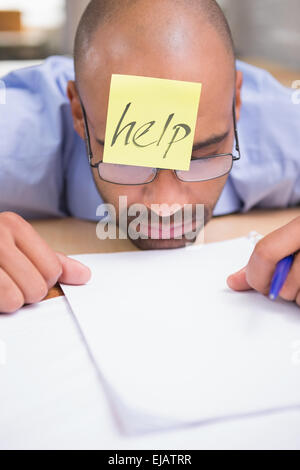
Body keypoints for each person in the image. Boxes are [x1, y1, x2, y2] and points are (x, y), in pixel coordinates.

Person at [0, 0, 299, 313]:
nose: (166, 206)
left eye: (200, 157)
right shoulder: (18, 134)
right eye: (130, 158)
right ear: (78, 113)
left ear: (236, 103)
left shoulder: (281, 130)